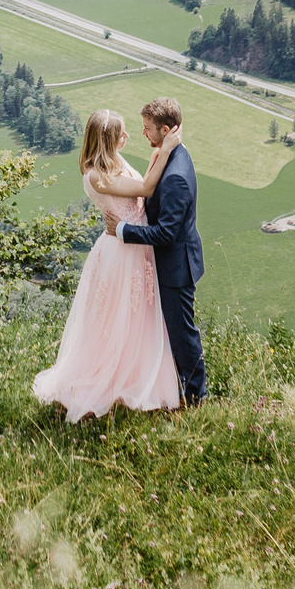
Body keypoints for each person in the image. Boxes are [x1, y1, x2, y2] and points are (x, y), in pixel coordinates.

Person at [30, 109, 183, 420]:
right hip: (119, 253)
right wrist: (165, 149)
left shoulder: (114, 161)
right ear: (108, 140)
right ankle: (107, 383)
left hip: (136, 246)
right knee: (114, 321)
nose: (127, 138)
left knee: (138, 318)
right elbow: (145, 189)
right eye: (121, 134)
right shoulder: (95, 176)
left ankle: (133, 377)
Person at [115, 97, 206, 404]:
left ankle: (196, 398)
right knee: (174, 332)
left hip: (176, 266)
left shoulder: (176, 176)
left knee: (182, 335)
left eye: (147, 129)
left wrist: (122, 230)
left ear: (166, 130)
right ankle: (176, 389)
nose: (143, 134)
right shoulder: (172, 153)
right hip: (172, 262)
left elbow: (166, 233)